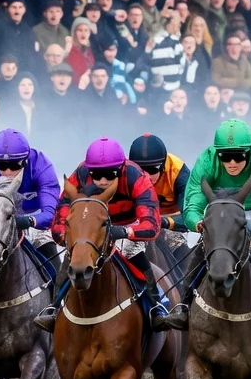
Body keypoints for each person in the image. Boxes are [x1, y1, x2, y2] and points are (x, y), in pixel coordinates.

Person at [156, 119, 251, 331]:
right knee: (203, 249)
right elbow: (192, 206)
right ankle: (183, 305)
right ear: (217, 154)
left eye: (239, 156)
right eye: (226, 157)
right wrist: (198, 223)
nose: (232, 163)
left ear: (250, 151)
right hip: (220, 211)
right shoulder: (206, 162)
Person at [33, 136, 167, 331]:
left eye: (110, 175)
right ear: (89, 170)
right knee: (73, 257)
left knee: (133, 252)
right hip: (91, 227)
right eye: (97, 175)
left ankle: (157, 307)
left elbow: (151, 225)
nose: (103, 181)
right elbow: (59, 222)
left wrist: (123, 232)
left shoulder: (137, 177)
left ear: (120, 169)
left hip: (128, 225)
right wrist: (73, 240)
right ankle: (53, 308)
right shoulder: (78, 176)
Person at [128, 133, 191, 253]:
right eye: (141, 170)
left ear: (163, 166)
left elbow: (190, 216)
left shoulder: (178, 173)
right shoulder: (127, 173)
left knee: (177, 245)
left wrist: (163, 221)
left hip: (171, 221)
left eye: (152, 170)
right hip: (139, 221)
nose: (146, 176)